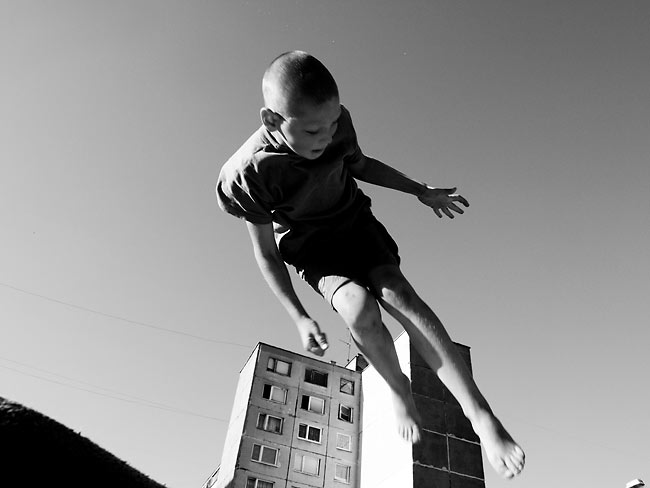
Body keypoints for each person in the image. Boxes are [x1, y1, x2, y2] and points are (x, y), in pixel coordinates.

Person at [217, 50, 525, 478]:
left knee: (399, 294)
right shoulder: (249, 174)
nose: (325, 137)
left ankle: (481, 416)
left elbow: (361, 166)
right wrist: (299, 316)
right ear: (271, 121)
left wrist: (420, 190)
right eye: (311, 130)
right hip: (312, 248)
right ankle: (398, 388)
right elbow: (267, 254)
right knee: (359, 311)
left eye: (331, 124)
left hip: (355, 223)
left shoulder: (336, 126)